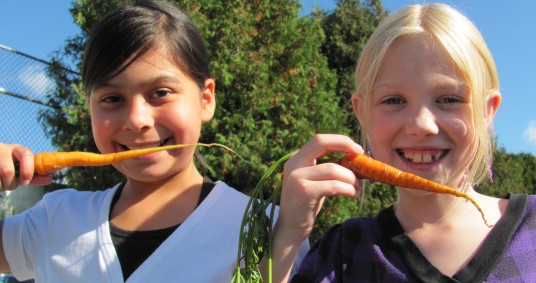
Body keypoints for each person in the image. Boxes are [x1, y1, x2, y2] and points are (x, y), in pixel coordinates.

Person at [0, 1, 307, 282]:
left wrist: (285, 243)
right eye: (112, 98)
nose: (136, 119)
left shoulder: (270, 229)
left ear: (205, 100)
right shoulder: (54, 220)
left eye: (160, 93)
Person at [269, 3, 536, 282]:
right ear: (363, 113)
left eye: (448, 99)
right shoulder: (344, 253)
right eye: (394, 100)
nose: (421, 125)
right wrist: (288, 233)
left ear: (487, 111)